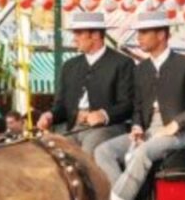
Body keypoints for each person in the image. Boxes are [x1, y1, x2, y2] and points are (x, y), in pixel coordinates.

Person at [94, 10, 185, 200]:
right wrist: (138, 127)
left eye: (144, 32)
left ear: (161, 35)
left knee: (142, 152)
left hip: (178, 134)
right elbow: (138, 106)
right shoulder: (141, 69)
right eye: (139, 32)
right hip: (148, 132)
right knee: (103, 151)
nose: (138, 37)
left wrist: (176, 124)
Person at [37, 12, 135, 154]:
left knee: (87, 153)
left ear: (95, 35)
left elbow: (128, 104)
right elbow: (61, 106)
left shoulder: (122, 63)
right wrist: (50, 115)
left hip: (107, 128)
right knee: (48, 153)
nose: (74, 39)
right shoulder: (69, 66)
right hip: (71, 128)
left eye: (78, 33)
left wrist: (104, 115)